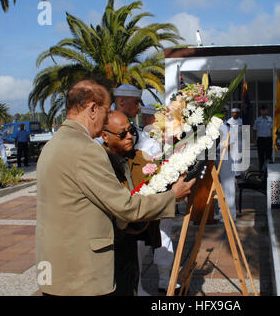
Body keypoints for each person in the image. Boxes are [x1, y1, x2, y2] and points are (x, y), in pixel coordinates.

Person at [36, 79, 195, 296]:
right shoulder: (85, 150)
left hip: (56, 266)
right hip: (82, 273)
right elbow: (125, 205)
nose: (105, 120)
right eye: (105, 110)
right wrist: (172, 196)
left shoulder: (52, 145)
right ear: (92, 109)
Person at [113, 85, 179, 295]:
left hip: (148, 196)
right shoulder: (108, 130)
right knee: (134, 246)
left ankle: (157, 280)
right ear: (121, 102)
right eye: (136, 103)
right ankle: (137, 285)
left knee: (151, 238)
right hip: (126, 198)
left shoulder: (139, 132)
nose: (139, 108)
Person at [102, 110, 162, 296]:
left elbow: (161, 178)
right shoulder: (99, 163)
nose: (129, 136)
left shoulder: (140, 157)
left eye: (131, 131)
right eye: (122, 134)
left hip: (131, 238)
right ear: (105, 136)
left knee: (130, 283)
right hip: (109, 240)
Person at [253, 106, 273, 172]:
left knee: (268, 156)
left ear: (267, 111)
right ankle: (261, 171)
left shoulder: (270, 119)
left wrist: (274, 139)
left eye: (265, 110)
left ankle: (268, 171)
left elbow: (273, 130)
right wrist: (254, 140)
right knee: (261, 156)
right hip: (260, 140)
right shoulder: (257, 120)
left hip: (268, 139)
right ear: (260, 111)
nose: (264, 112)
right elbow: (254, 130)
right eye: (262, 110)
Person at [226, 108, 243, 177]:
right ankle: (232, 173)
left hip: (239, 141)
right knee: (232, 157)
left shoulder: (241, 121)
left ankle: (238, 173)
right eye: (233, 113)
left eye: (236, 113)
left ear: (238, 113)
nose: (235, 114)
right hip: (231, 141)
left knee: (238, 157)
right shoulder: (229, 122)